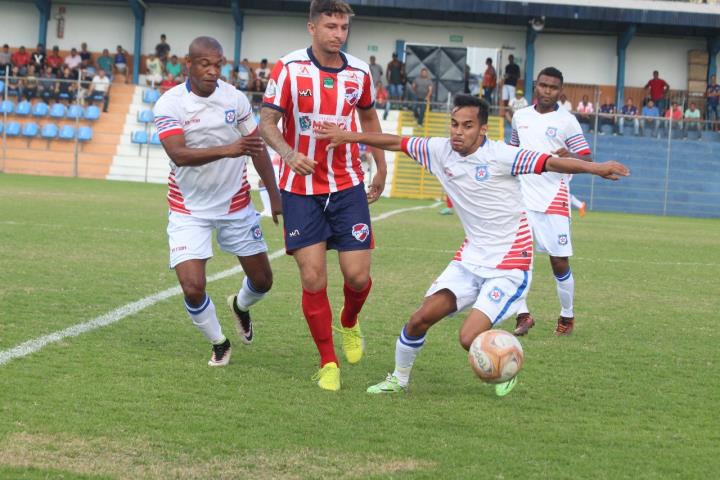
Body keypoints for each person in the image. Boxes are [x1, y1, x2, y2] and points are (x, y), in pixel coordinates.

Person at [315, 94, 628, 395]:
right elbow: (396, 142)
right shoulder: (439, 151)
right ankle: (399, 380)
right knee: (418, 319)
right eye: (454, 124)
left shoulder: (503, 155)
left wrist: (595, 168)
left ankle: (509, 361)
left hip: (509, 265)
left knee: (469, 339)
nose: (458, 132)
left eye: (466, 125)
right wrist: (350, 136)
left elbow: (551, 163)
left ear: (482, 129)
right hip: (470, 260)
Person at [260, 0, 387, 391]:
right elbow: (266, 122)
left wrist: (381, 166)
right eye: (331, 26)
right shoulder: (288, 69)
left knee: (358, 275)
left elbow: (368, 119)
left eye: (343, 27)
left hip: (347, 185)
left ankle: (348, 321)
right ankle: (328, 361)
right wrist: (288, 154)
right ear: (312, 27)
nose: (338, 34)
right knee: (313, 278)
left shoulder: (359, 72)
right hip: (301, 190)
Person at [153, 36, 282, 367]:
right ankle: (220, 343)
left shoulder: (234, 99)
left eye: (218, 64)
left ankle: (240, 306)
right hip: (188, 208)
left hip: (235, 204)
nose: (212, 71)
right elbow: (178, 154)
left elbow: (256, 149)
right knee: (193, 287)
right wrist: (229, 149)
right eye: (204, 64)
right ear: (188, 64)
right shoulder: (169, 104)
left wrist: (274, 196)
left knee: (263, 281)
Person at [510, 67, 593, 337]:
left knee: (559, 262)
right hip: (522, 197)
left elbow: (587, 158)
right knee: (512, 260)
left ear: (560, 91)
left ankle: (566, 317)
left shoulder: (567, 121)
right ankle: (523, 315)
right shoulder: (519, 116)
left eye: (553, 87)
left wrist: (570, 155)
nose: (547, 91)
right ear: (536, 86)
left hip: (553, 199)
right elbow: (511, 152)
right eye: (543, 85)